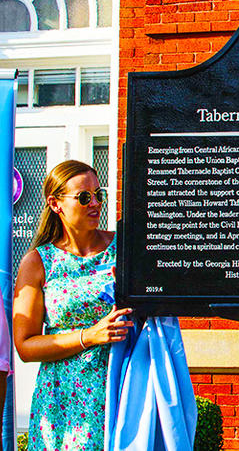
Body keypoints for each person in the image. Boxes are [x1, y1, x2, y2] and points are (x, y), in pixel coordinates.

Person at [13, 160, 133, 450]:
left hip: (119, 386)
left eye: (98, 194)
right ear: (56, 204)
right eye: (83, 197)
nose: (94, 203)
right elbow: (25, 346)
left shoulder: (125, 247)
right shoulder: (39, 262)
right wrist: (88, 336)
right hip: (62, 402)